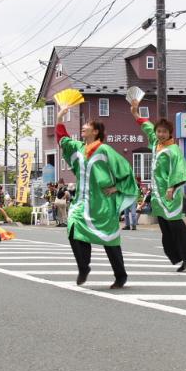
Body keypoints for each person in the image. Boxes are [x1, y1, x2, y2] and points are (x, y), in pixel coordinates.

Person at [56, 105, 139, 289]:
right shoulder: (78, 148)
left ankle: (121, 275)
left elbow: (126, 172)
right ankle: (83, 267)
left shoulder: (106, 151)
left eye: (87, 125)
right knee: (73, 229)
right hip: (81, 202)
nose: (83, 127)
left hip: (103, 203)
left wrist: (117, 187)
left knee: (109, 239)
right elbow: (62, 139)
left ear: (95, 131)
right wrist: (60, 117)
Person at [131, 105, 186, 271]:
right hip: (158, 195)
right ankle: (177, 257)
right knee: (166, 229)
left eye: (164, 132)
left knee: (177, 227)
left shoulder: (174, 150)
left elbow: (180, 170)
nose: (160, 134)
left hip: (170, 194)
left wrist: (172, 187)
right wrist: (135, 113)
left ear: (170, 133)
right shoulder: (155, 143)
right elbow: (146, 126)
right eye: (158, 131)